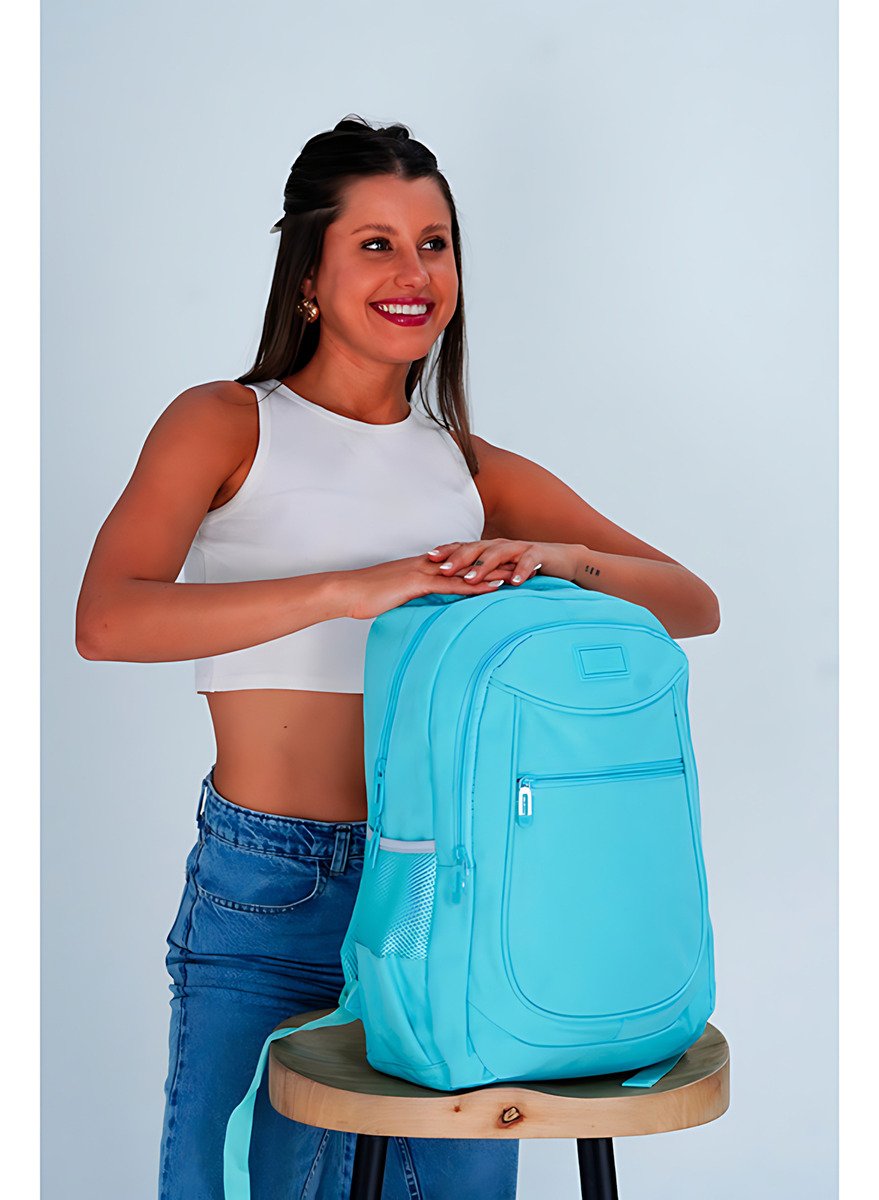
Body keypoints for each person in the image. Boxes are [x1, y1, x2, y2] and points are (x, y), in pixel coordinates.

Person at [75, 114, 720, 1200]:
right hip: (270, 885)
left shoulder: (468, 468)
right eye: (375, 243)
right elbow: (107, 621)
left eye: (435, 243)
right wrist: (348, 588)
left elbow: (691, 603)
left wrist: (553, 557)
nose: (414, 272)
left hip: (454, 882)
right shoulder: (226, 423)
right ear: (308, 277)